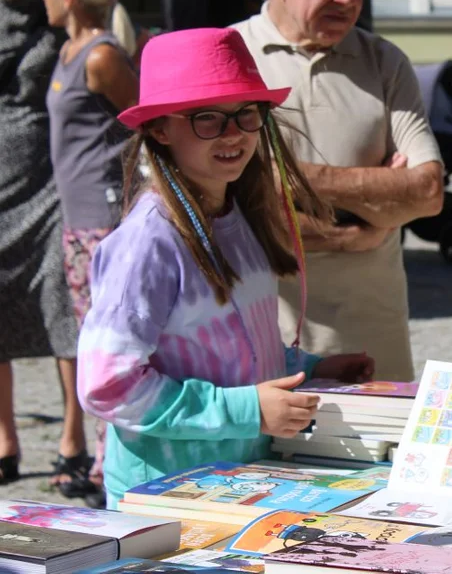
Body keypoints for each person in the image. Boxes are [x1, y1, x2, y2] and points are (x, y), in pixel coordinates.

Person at [76, 28, 376, 508]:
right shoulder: (146, 243)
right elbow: (107, 384)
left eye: (245, 114)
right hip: (164, 497)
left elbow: (229, 347)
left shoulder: (236, 213)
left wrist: (311, 369)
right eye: (206, 119)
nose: (233, 132)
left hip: (238, 483)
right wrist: (247, 410)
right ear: (159, 129)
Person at [233, 0, 443, 382]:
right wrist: (369, 218)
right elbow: (235, 214)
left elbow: (428, 192)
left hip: (376, 346)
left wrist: (291, 176)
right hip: (265, 352)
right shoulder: (230, 58)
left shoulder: (385, 62)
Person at [42, 0, 140, 504]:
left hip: (103, 225)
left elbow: (146, 120)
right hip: (77, 225)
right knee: (89, 342)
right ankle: (106, 461)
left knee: (109, 346)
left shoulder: (101, 57)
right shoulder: (70, 50)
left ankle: (109, 467)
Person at [0, 0, 81, 487]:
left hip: (50, 184)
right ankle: (3, 439)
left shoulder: (56, 19)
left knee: (63, 309)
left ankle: (74, 437)